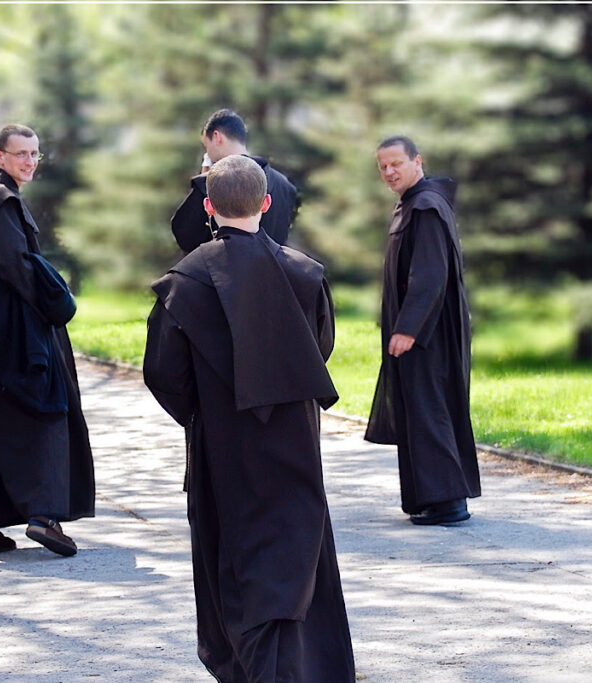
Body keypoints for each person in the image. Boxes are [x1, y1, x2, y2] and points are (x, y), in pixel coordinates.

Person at [145, 154, 355, 682]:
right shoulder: (306, 274)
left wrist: (201, 411)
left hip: (222, 442)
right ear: (266, 203)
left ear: (208, 207)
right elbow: (320, 347)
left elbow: (164, 373)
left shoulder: (183, 282)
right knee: (295, 555)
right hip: (295, 440)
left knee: (233, 556)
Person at [0, 124, 95, 557]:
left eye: (34, 154)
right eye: (20, 153)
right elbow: (16, 265)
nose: (29, 161)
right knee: (43, 417)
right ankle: (43, 517)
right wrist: (52, 302)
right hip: (14, 335)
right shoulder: (0, 200)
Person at [364, 136, 481, 526]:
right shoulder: (413, 203)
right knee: (420, 409)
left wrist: (408, 328)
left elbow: (430, 274)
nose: (389, 172)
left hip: (429, 333)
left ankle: (449, 502)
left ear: (418, 161)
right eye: (382, 166)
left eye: (396, 163)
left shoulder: (426, 206)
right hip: (421, 331)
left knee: (431, 410)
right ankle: (430, 499)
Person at [170, 108, 298, 253]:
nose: (207, 153)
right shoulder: (286, 187)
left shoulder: (213, 183)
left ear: (217, 137)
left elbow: (186, 238)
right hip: (274, 266)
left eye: (206, 146)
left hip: (225, 266)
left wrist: (205, 183)